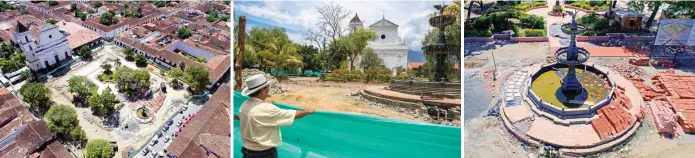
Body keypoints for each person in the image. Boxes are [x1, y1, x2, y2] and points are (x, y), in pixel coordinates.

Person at [237, 74, 314, 158]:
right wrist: (307, 111)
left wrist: (265, 103)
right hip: (264, 154)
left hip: (247, 152)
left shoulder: (244, 105)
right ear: (262, 90)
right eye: (267, 87)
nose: (268, 89)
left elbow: (258, 111)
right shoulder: (268, 109)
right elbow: (292, 115)